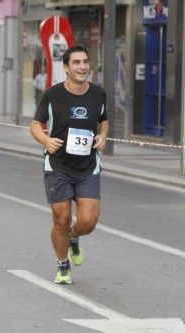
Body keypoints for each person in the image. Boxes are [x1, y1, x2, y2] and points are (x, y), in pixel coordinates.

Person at [30, 45, 109, 284]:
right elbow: (35, 124)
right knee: (61, 219)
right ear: (66, 67)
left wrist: (103, 136)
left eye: (85, 62)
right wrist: (45, 139)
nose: (82, 66)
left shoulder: (98, 94)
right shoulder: (52, 95)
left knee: (88, 222)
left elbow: (103, 121)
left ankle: (73, 237)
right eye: (76, 62)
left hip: (87, 167)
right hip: (58, 166)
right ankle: (62, 263)